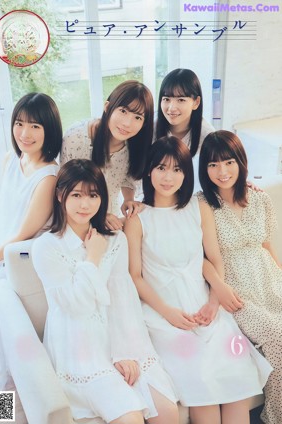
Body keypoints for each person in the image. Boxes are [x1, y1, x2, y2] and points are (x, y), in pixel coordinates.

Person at [124, 136, 272, 424]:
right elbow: (135, 276)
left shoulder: (197, 207)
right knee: (201, 378)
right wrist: (168, 313)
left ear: (187, 174)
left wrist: (214, 302)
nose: (169, 177)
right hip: (164, 316)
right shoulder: (138, 218)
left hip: (208, 308)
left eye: (177, 169)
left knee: (236, 374)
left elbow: (215, 260)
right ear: (148, 172)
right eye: (161, 168)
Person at [32, 159, 178, 424]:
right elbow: (77, 306)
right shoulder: (46, 247)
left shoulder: (115, 239)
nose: (84, 204)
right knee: (130, 418)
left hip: (118, 339)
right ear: (60, 194)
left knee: (168, 412)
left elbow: (123, 300)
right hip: (78, 348)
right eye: (76, 195)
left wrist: (123, 352)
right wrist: (93, 257)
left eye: (93, 195)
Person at [198, 130, 282, 424]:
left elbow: (267, 245)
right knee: (276, 334)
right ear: (204, 169)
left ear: (241, 161)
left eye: (229, 162)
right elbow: (203, 258)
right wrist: (219, 288)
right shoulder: (203, 205)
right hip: (237, 290)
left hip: (269, 281)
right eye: (212, 164)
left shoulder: (260, 199)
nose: (222, 171)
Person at [0, 92, 62, 391]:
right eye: (19, 123)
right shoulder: (9, 160)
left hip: (14, 268)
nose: (24, 133)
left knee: (3, 354)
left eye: (35, 126)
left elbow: (21, 236)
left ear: (49, 130)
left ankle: (2, 412)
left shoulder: (48, 177)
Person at [60, 80, 154, 230]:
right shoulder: (76, 138)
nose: (127, 123)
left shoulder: (135, 146)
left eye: (138, 117)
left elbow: (126, 178)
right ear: (107, 107)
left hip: (110, 220)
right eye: (123, 111)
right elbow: (64, 189)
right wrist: (99, 217)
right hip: (74, 220)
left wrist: (129, 200)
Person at [155, 69, 214, 191]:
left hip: (187, 191)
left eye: (181, 100)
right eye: (166, 99)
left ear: (196, 102)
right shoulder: (151, 128)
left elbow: (222, 164)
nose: (171, 108)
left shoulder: (207, 134)